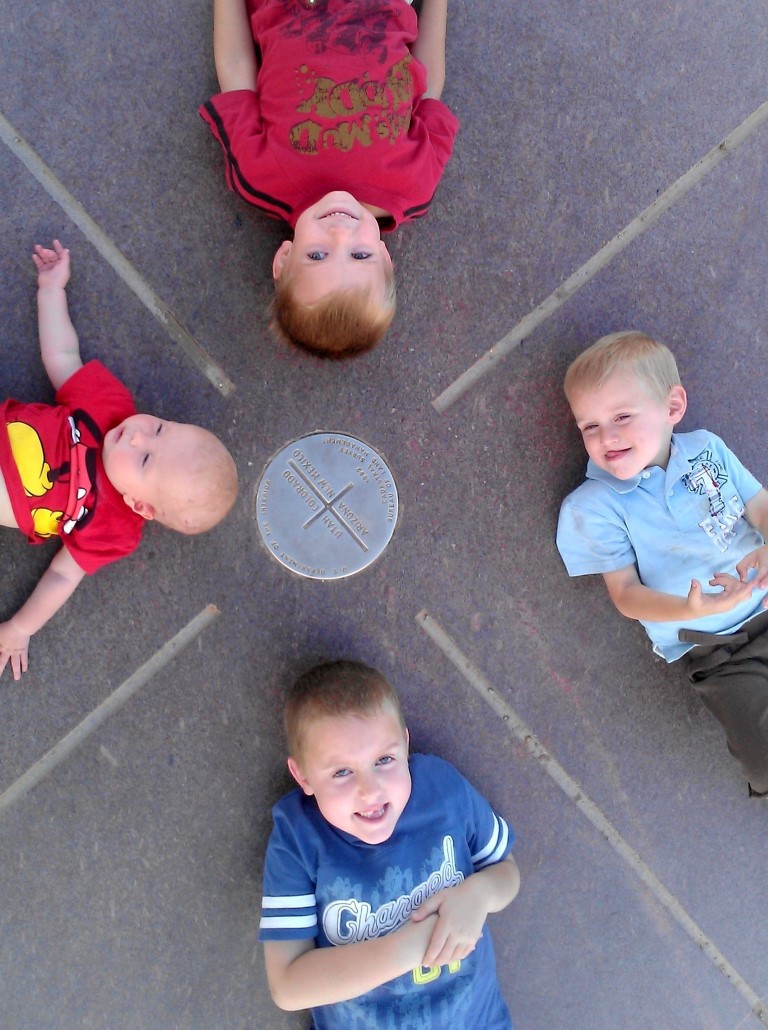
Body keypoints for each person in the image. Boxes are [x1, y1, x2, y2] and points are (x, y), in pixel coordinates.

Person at [0, 240, 239, 679]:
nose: (138, 434)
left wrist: (20, 627)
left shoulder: (114, 531)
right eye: (161, 428)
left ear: (141, 506)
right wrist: (51, 292)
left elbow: (61, 578)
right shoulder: (111, 404)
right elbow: (61, 357)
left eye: (145, 460)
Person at [556, 330, 768, 797]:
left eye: (622, 417)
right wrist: (692, 611)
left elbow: (760, 508)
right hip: (717, 646)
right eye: (588, 427)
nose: (605, 437)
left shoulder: (708, 449)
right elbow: (627, 596)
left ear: (672, 408)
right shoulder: (593, 505)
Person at [259, 660, 520, 1028]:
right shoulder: (299, 838)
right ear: (303, 775)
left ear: (405, 743)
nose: (370, 790)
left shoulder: (441, 790)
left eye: (384, 759)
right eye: (342, 772)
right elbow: (288, 985)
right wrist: (412, 947)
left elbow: (507, 872)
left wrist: (479, 894)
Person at [200, 0, 459, 358]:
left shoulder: (260, 180)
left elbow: (235, 69)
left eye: (318, 254)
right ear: (384, 257)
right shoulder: (414, 184)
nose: (340, 233)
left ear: (283, 259)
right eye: (359, 254)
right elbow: (428, 87)